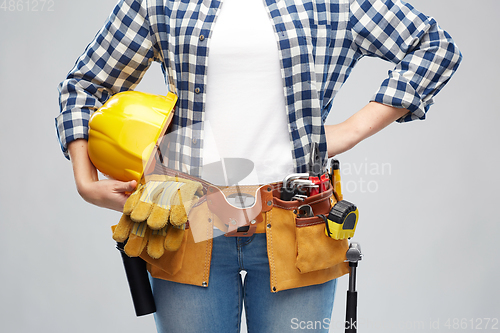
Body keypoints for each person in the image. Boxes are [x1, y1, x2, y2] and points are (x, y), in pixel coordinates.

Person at [56, 0, 461, 332]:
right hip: (188, 221)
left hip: (296, 220)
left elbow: (435, 46)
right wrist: (84, 180)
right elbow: (85, 85)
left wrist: (353, 129)